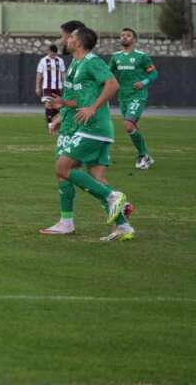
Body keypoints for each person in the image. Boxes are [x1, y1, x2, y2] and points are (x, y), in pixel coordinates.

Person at [41, 26, 133, 241]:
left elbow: (113, 85)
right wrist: (62, 108)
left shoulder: (92, 61)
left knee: (62, 168)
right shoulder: (76, 63)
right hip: (90, 127)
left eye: (71, 37)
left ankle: (112, 197)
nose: (67, 39)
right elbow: (79, 99)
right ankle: (122, 226)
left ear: (79, 42)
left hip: (93, 127)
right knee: (96, 178)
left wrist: (93, 108)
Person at [110, 27, 158, 170]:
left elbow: (154, 74)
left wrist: (143, 82)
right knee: (131, 128)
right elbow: (107, 74)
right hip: (123, 96)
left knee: (129, 125)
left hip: (138, 96)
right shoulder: (116, 57)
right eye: (122, 35)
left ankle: (143, 155)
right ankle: (146, 156)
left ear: (134, 40)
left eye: (128, 35)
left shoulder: (142, 56)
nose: (124, 37)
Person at [35, 44, 65, 135]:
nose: (53, 56)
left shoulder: (60, 60)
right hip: (47, 87)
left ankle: (55, 125)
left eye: (55, 54)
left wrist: (66, 84)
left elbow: (63, 73)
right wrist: (37, 87)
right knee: (48, 105)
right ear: (49, 52)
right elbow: (39, 74)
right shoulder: (43, 61)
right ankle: (49, 125)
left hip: (58, 87)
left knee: (58, 107)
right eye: (52, 54)